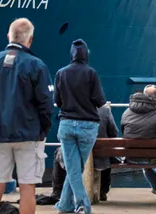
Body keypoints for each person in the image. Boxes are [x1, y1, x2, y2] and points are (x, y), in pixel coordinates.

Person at [0, 18, 54, 214]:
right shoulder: (36, 65)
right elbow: (46, 103)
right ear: (30, 39)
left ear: (8, 36)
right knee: (27, 187)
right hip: (28, 134)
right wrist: (42, 129)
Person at [54, 39, 106, 214]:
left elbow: (57, 101)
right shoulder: (91, 73)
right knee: (76, 168)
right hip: (87, 125)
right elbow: (100, 100)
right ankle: (83, 204)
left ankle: (65, 205)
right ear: (86, 54)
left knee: (73, 168)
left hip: (66, 124)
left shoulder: (61, 73)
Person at [121, 84, 156, 199]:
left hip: (131, 156)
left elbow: (123, 131)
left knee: (147, 161)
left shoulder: (127, 111)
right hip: (153, 156)